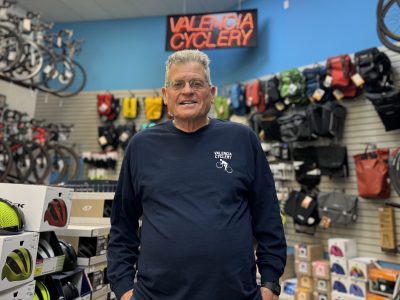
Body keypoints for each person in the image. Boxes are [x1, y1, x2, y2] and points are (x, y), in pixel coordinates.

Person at [107, 49, 287, 300]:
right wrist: (124, 288)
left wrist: (270, 284)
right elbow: (122, 224)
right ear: (165, 95)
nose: (187, 90)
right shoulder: (141, 146)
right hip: (155, 296)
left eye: (196, 83)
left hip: (236, 294)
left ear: (211, 94)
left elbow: (268, 216)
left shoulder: (242, 139)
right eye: (177, 84)